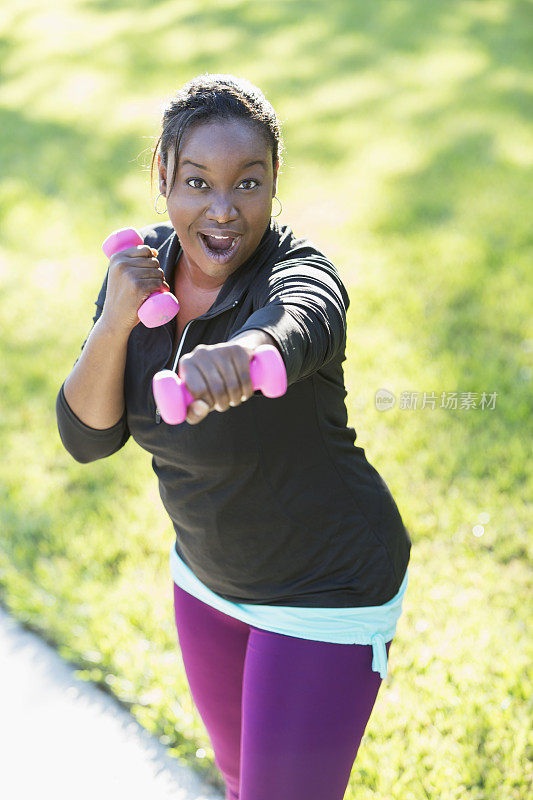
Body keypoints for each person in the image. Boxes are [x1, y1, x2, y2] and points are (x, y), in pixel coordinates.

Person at [56, 73, 412, 800]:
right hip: (206, 579)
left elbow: (301, 322)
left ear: (275, 180)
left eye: (247, 184)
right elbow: (88, 440)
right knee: (242, 780)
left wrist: (244, 359)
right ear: (162, 178)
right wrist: (113, 320)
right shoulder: (141, 272)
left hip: (325, 588)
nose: (222, 212)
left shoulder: (296, 273)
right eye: (196, 182)